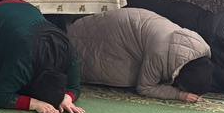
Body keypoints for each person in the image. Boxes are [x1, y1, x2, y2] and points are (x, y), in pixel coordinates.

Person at [67, 7, 210, 102]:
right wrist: (179, 95)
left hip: (131, 21)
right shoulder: (160, 53)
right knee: (91, 52)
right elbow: (145, 87)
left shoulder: (200, 45)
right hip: (115, 32)